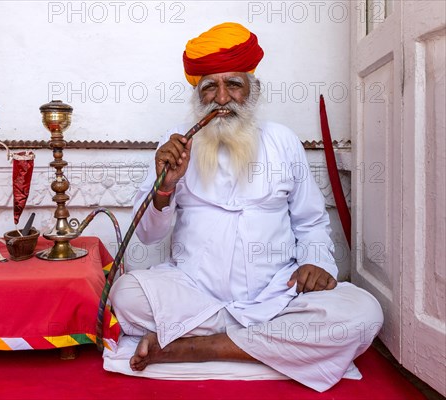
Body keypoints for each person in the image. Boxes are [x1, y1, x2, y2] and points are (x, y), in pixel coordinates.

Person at [108, 22, 384, 392]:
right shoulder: (174, 146)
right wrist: (166, 187)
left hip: (276, 296)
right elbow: (148, 234)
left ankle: (189, 348)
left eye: (233, 85)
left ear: (252, 90)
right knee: (125, 295)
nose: (222, 99)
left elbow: (311, 222)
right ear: (198, 96)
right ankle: (263, 343)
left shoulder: (283, 142)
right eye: (210, 88)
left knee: (364, 313)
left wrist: (315, 263)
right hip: (196, 294)